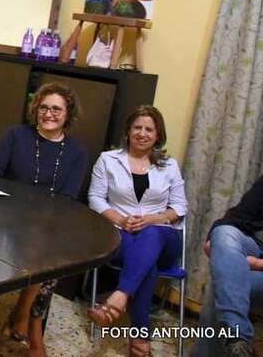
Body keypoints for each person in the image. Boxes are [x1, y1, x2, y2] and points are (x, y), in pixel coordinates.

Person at [0, 82, 88, 357]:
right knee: (47, 255)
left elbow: (67, 198)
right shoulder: (15, 136)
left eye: (56, 109)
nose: (49, 113)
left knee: (47, 247)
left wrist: (41, 220)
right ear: (35, 109)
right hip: (7, 218)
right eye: (43, 107)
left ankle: (24, 319)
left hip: (47, 225)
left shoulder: (77, 153)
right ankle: (32, 331)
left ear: (68, 114)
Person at [87, 105, 187, 357]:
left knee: (151, 234)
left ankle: (119, 297)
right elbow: (96, 198)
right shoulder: (108, 160)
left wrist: (153, 218)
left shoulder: (169, 165)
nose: (142, 133)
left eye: (149, 129)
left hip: (164, 237)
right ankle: (140, 338)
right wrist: (121, 219)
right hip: (121, 236)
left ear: (157, 135)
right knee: (147, 266)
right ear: (128, 131)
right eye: (137, 127)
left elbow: (180, 206)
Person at [191, 175, 263, 357]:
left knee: (225, 282)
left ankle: (234, 337)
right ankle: (237, 342)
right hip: (254, 246)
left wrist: (256, 263)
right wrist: (215, 241)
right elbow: (236, 217)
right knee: (224, 233)